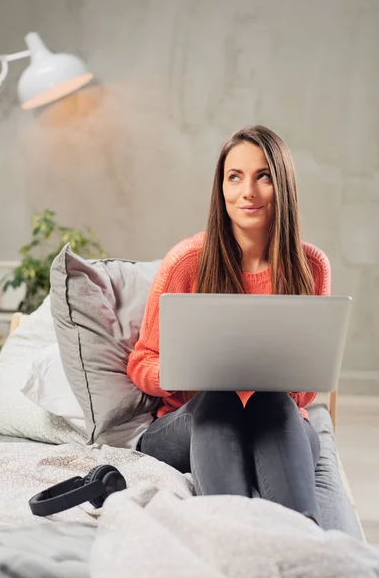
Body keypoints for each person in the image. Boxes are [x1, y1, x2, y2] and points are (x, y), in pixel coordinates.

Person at [127, 125, 331, 525]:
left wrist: (285, 376)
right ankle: (228, 532)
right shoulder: (187, 261)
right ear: (220, 188)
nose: (247, 192)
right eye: (234, 177)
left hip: (276, 419)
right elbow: (142, 362)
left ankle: (302, 543)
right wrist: (181, 370)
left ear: (283, 185)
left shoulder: (311, 267)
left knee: (271, 398)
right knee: (220, 398)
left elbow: (303, 395)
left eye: (263, 176)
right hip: (191, 422)